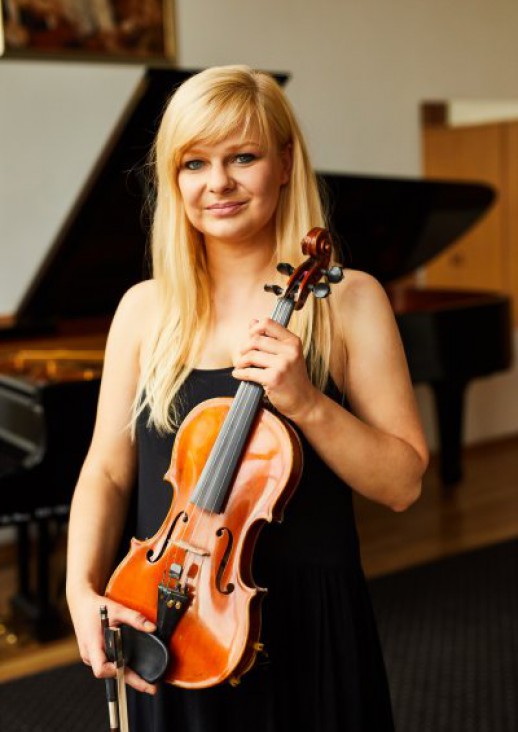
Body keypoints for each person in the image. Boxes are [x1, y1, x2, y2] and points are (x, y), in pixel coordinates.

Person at [66, 65, 428, 731]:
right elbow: (107, 470)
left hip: (308, 624)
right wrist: (80, 590)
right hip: (170, 614)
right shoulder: (145, 310)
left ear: (285, 164)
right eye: (194, 164)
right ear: (172, 181)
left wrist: (308, 403)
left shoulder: (349, 302)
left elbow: (403, 483)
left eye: (243, 157)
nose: (218, 184)